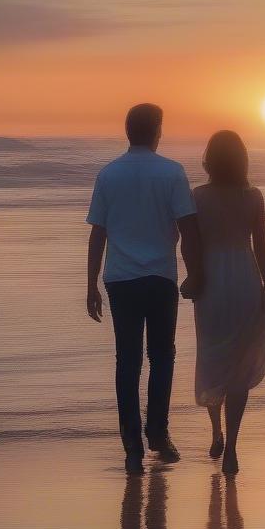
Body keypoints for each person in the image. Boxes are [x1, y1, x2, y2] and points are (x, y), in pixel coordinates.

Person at [86, 104, 204, 475]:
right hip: (160, 277)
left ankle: (132, 446)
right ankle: (158, 434)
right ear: (157, 132)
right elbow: (188, 228)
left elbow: (98, 232)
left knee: (128, 361)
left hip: (120, 278)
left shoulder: (109, 174)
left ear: (127, 132)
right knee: (162, 357)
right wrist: (196, 272)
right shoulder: (171, 172)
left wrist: (90, 284)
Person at [192, 131, 265, 475]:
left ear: (209, 160)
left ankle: (216, 432)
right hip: (244, 278)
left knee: (212, 355)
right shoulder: (253, 197)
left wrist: (192, 276)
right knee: (240, 365)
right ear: (242, 159)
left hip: (212, 281)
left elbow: (191, 245)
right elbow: (262, 247)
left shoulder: (197, 197)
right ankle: (232, 448)